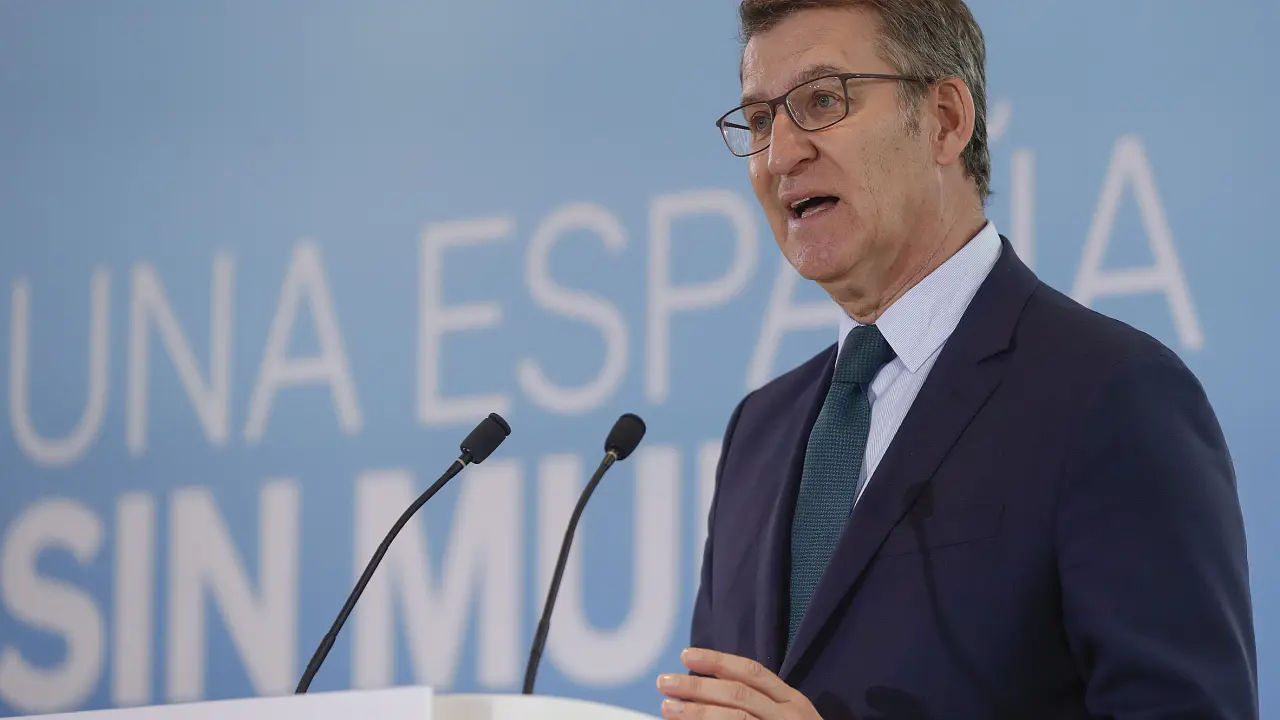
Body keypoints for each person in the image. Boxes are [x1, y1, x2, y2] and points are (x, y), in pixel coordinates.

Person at [653, 1, 1258, 718]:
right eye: (759, 120)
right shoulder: (758, 432)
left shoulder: (1111, 394)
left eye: (822, 102)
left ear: (944, 119)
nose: (781, 155)